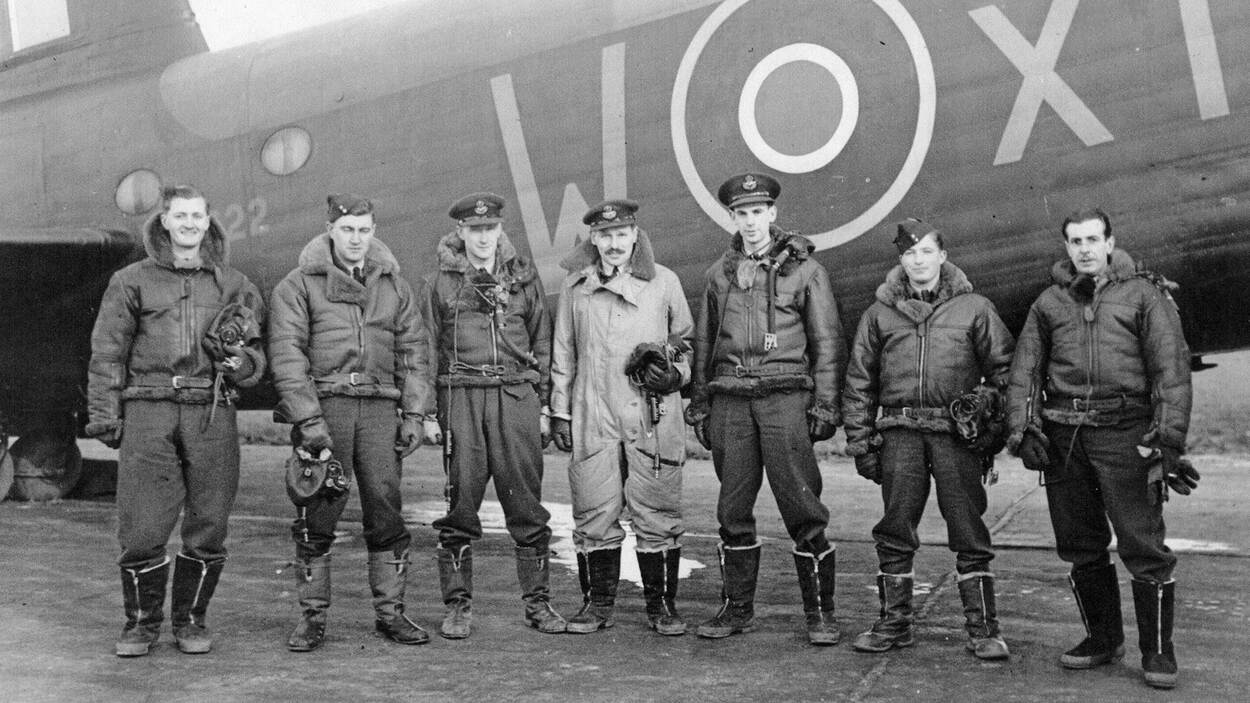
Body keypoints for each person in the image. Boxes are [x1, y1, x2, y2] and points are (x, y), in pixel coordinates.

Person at [1006, 207, 1196, 689]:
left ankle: (1158, 652)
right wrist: (1023, 429)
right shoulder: (1048, 303)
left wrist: (1168, 438)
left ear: (1110, 243)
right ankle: (1102, 639)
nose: (1085, 249)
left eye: (1093, 240)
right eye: (1076, 241)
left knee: (1143, 543)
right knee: (1080, 543)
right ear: (1066, 247)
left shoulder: (1143, 295)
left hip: (1125, 433)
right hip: (1065, 436)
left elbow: (1171, 370)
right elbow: (1026, 371)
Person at [86, 185, 266, 657]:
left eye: (197, 216)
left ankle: (190, 622)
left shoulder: (235, 285)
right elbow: (107, 353)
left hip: (211, 411)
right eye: (180, 216)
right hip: (150, 408)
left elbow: (255, 357)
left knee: (209, 524)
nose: (189, 224)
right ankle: (140, 625)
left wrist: (240, 364)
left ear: (208, 222)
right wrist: (105, 415)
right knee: (143, 528)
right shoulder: (131, 281)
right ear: (164, 221)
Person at [684, 173, 846, 645]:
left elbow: (827, 342)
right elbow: (704, 344)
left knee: (803, 506)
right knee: (732, 508)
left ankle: (820, 615)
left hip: (784, 398)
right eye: (742, 213)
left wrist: (826, 405)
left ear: (772, 213)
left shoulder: (806, 271)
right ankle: (736, 609)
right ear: (732, 218)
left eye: (758, 212)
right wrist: (701, 404)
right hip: (732, 400)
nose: (751, 221)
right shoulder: (719, 275)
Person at [842, 219, 1015, 660]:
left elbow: (1005, 372)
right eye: (909, 253)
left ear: (942, 256)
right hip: (899, 434)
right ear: (900, 260)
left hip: (954, 436)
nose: (918, 260)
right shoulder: (879, 314)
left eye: (926, 252)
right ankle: (894, 623)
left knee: (969, 529)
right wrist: (861, 442)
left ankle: (983, 628)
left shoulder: (974, 308)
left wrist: (991, 425)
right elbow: (859, 382)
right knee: (895, 529)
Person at [268, 194, 435, 651]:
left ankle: (391, 613)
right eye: (347, 230)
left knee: (386, 509)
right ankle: (312, 617)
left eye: (364, 230)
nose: (356, 239)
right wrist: (308, 419)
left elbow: (414, 353)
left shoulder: (394, 287)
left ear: (373, 231)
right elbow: (287, 355)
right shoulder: (298, 285)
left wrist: (414, 413)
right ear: (330, 231)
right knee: (317, 512)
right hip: (327, 408)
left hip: (380, 409)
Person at [550, 199, 694, 636]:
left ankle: (662, 607)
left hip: (651, 412)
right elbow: (563, 353)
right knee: (593, 508)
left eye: (621, 234)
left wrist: (675, 373)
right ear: (594, 239)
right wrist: (560, 411)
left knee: (657, 509)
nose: (614, 243)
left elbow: (686, 342)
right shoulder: (576, 288)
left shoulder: (664, 282)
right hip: (593, 411)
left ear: (635, 235)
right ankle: (597, 605)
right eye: (605, 235)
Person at [424, 192, 565, 638]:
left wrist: (544, 404)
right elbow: (427, 348)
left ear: (500, 229)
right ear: (461, 232)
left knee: (526, 505)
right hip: (462, 397)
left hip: (515, 395)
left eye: (490, 228)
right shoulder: (440, 282)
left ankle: (538, 604)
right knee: (460, 504)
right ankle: (458, 606)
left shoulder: (522, 277)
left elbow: (542, 341)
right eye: (475, 229)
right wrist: (428, 412)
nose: (483, 237)